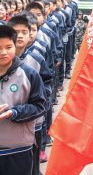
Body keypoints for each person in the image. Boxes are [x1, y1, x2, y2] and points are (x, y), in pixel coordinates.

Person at [8, 15, 53, 175]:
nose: (19, 35)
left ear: (31, 35)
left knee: (31, 163)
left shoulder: (36, 59)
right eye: (16, 32)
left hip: (34, 121)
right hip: (6, 129)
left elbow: (47, 83)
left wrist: (39, 98)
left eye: (24, 32)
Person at [0, 24, 46, 175]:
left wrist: (15, 113)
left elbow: (40, 106)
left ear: (15, 46)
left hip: (18, 148)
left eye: (8, 47)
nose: (3, 52)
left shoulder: (29, 74)